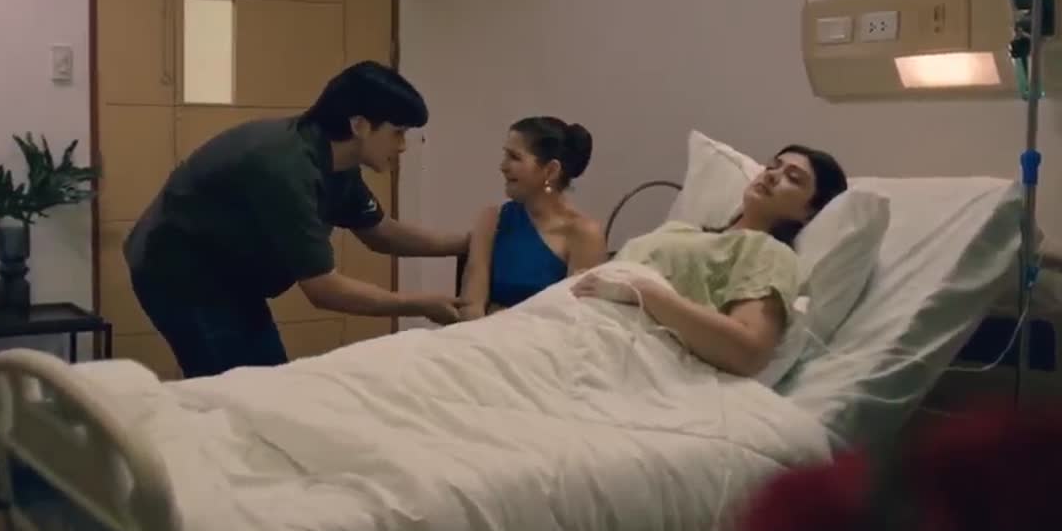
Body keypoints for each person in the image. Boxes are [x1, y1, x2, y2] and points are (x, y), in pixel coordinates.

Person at [124, 61, 468, 378]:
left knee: (267, 382)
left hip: (231, 275)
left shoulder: (337, 163)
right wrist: (419, 304)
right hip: (179, 271)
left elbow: (380, 232)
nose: (403, 146)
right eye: (398, 133)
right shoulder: (286, 167)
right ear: (359, 125)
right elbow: (324, 289)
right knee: (237, 391)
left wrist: (466, 243)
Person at [572, 144, 847, 376]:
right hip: (576, 319)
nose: (773, 175)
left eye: (793, 178)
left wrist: (644, 292)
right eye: (772, 166)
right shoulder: (681, 230)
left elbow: (748, 352)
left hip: (617, 349)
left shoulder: (769, 252)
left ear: (809, 212)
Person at [458, 117, 607, 320]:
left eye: (514, 157)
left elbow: (578, 318)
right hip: (485, 333)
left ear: (551, 170)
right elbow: (471, 305)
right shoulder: (492, 219)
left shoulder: (584, 234)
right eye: (505, 155)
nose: (503, 166)